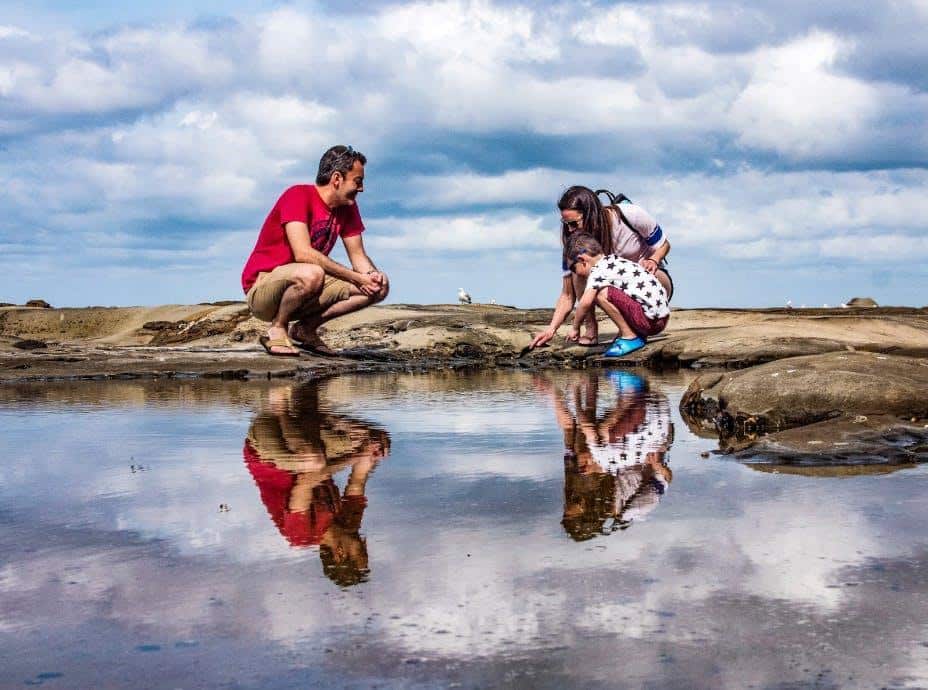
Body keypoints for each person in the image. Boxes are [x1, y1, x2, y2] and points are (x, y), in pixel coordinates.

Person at [241, 145, 389, 357]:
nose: (362, 188)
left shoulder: (348, 208)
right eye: (358, 181)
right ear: (337, 178)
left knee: (379, 288)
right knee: (312, 272)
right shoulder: (297, 195)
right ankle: (278, 327)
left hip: (306, 288)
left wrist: (371, 276)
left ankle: (305, 330)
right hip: (264, 288)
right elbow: (303, 253)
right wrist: (357, 277)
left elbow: (358, 257)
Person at [244, 381, 389, 586]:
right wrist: (372, 452)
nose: (365, 543)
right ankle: (306, 391)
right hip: (301, 445)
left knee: (314, 461)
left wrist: (356, 456)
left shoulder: (301, 536)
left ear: (340, 554)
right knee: (372, 438)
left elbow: (305, 482)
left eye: (361, 551)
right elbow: (357, 481)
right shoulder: (349, 525)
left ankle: (280, 406)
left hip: (265, 450)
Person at [530, 186, 672, 351]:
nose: (570, 230)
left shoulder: (630, 214)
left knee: (598, 289)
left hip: (651, 280)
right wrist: (551, 329)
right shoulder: (575, 242)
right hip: (622, 294)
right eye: (565, 224)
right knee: (579, 272)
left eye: (574, 223)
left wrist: (653, 260)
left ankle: (630, 334)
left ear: (592, 215)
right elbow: (567, 294)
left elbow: (664, 245)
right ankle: (591, 329)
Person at [564, 234, 670, 357]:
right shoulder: (615, 261)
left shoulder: (597, 271)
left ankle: (630, 336)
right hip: (661, 319)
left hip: (650, 323)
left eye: (573, 268)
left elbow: (585, 303)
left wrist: (575, 328)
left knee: (600, 294)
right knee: (617, 290)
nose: (575, 274)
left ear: (582, 260)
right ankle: (635, 334)